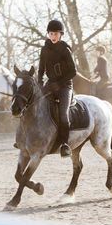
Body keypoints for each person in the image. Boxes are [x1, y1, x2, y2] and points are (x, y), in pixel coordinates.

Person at [38, 19, 77, 158]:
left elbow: (73, 72)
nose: (53, 36)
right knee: (35, 105)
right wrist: (40, 84)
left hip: (65, 86)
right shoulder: (44, 49)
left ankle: (65, 144)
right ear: (48, 34)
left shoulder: (65, 49)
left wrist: (59, 84)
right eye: (51, 34)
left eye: (56, 34)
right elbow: (41, 70)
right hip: (50, 84)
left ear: (61, 34)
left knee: (63, 113)